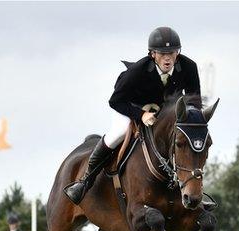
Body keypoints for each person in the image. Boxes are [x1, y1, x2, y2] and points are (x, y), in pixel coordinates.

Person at [64, 26, 202, 204]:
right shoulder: (138, 71)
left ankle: (193, 188)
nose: (167, 58)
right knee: (117, 134)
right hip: (130, 106)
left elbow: (194, 101)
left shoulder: (189, 67)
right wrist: (140, 115)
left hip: (164, 114)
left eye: (172, 52)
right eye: (162, 53)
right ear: (152, 54)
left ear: (178, 53)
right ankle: (85, 181)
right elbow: (115, 101)